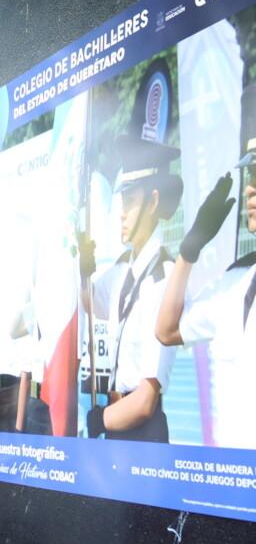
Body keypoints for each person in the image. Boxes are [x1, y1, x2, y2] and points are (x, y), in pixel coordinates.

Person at [156, 88, 255, 449]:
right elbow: (166, 330)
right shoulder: (237, 282)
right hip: (228, 492)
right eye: (251, 173)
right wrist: (190, 248)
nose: (251, 189)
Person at [79, 136, 182, 441]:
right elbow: (91, 303)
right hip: (117, 426)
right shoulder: (125, 270)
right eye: (121, 200)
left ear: (152, 202)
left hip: (141, 433)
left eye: (130, 201)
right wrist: (83, 267)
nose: (121, 212)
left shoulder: (164, 278)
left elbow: (145, 401)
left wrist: (101, 421)